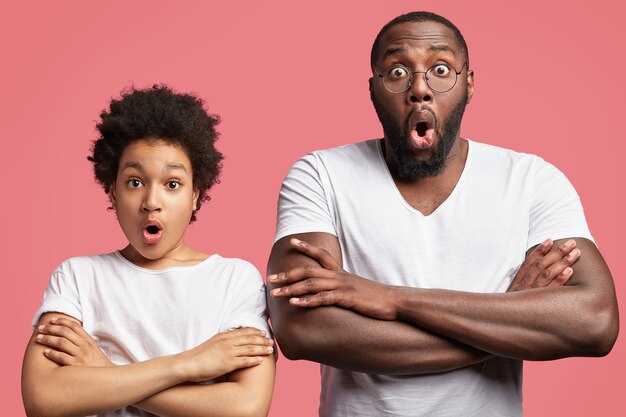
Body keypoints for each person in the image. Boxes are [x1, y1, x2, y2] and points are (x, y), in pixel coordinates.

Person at [267, 11, 618, 417]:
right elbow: (303, 330)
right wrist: (507, 317)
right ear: (373, 89)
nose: (420, 89)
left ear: (468, 84)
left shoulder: (531, 180)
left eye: (440, 69)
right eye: (397, 71)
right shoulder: (321, 174)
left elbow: (596, 321)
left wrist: (390, 299)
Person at [22, 85, 276, 417]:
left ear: (195, 195)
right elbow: (43, 399)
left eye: (172, 184)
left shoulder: (235, 279)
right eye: (135, 182)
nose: (151, 203)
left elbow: (246, 409)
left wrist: (104, 372)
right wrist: (188, 365)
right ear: (112, 193)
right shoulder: (77, 277)